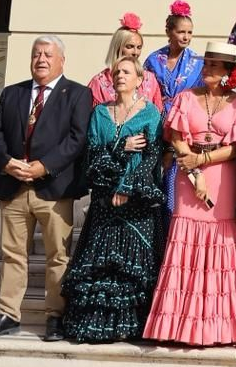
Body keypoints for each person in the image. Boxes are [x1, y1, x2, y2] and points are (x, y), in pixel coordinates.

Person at [0, 36, 92, 341]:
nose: (41, 59)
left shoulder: (77, 94)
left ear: (61, 60)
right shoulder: (13, 92)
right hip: (13, 186)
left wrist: (45, 166)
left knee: (57, 256)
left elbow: (77, 140)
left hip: (53, 188)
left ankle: (56, 316)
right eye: (36, 54)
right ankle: (8, 314)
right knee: (12, 254)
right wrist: (6, 162)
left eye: (48, 55)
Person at [143, 43, 236, 347]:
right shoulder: (185, 97)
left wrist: (202, 163)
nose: (208, 70)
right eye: (206, 64)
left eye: (215, 66)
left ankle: (217, 325)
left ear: (230, 72)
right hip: (186, 173)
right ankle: (177, 324)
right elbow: (177, 138)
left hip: (221, 175)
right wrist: (192, 172)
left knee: (218, 238)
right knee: (184, 236)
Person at [60, 56, 163, 343]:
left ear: (140, 80)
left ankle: (132, 327)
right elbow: (93, 155)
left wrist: (127, 186)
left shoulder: (151, 114)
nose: (120, 76)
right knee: (101, 262)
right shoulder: (100, 114)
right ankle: (98, 326)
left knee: (132, 264)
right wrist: (121, 146)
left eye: (127, 72)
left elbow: (151, 158)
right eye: (117, 72)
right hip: (104, 200)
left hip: (137, 201)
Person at [88, 15, 164, 106]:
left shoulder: (149, 79)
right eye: (130, 47)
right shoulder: (99, 82)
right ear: (118, 47)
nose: (135, 52)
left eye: (139, 47)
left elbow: (158, 112)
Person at [143, 0, 202, 112]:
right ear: (168, 32)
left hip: (185, 117)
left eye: (189, 32)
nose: (186, 37)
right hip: (156, 116)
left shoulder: (197, 62)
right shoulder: (153, 60)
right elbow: (144, 92)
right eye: (181, 32)